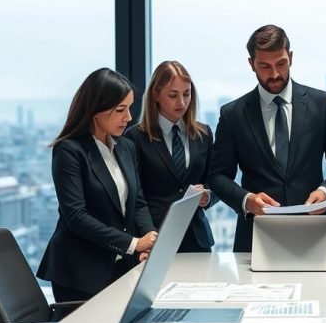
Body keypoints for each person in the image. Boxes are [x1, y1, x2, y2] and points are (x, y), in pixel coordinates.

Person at [209, 24, 326, 252]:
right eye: (265, 66)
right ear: (251, 64)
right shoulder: (233, 114)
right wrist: (246, 200)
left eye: (281, 63)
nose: (275, 74)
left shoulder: (321, 103)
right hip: (256, 233)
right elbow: (218, 175)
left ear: (290, 57)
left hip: (315, 231)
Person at [37, 68, 158, 302]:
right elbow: (76, 216)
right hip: (80, 273)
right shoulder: (69, 151)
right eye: (120, 110)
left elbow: (138, 202)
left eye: (130, 108)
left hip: (121, 267)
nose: (129, 117)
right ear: (95, 110)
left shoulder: (125, 147)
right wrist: (133, 244)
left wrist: (148, 238)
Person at [127, 61, 214, 253]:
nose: (182, 102)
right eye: (173, 95)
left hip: (197, 239)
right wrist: (147, 234)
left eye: (187, 94)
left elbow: (213, 181)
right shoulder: (135, 138)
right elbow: (135, 196)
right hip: (155, 239)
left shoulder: (204, 133)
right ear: (156, 95)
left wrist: (207, 196)